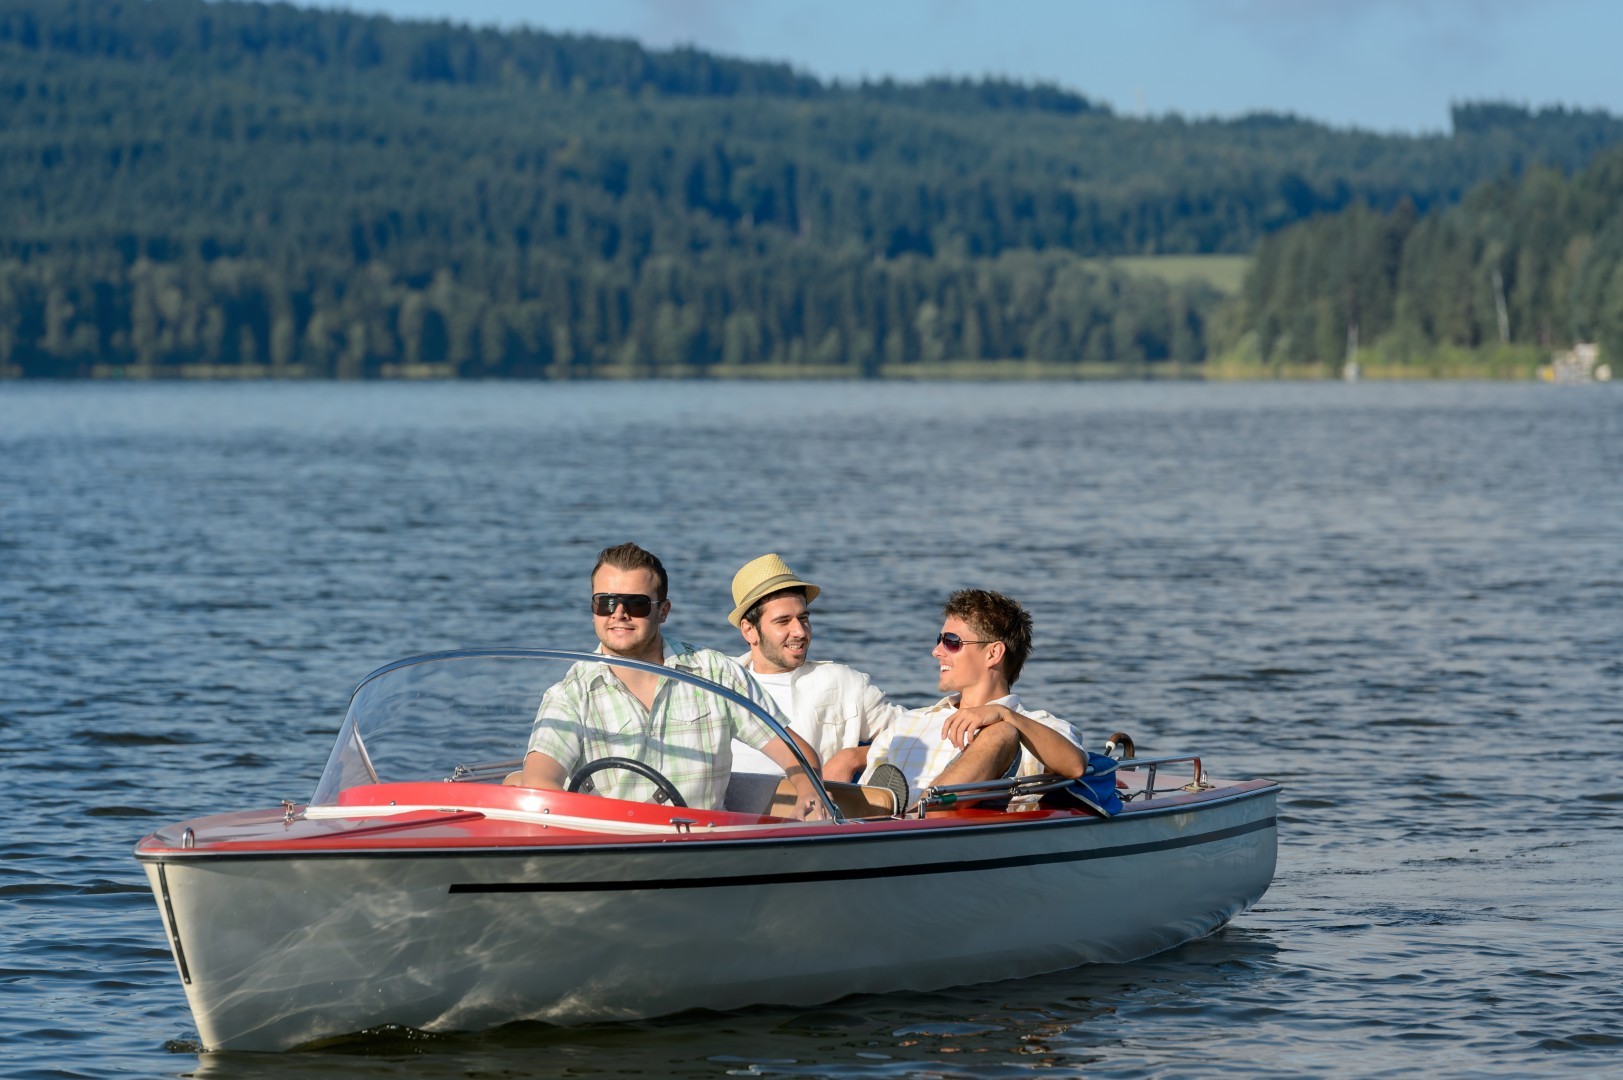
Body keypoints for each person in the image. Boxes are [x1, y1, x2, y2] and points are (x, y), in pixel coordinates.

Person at [514, 542, 826, 818]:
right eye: (605, 602)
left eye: (635, 604)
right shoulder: (570, 694)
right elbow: (539, 782)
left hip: (709, 847)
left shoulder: (716, 673)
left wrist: (809, 792)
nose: (618, 613)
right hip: (609, 847)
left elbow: (796, 753)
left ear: (663, 611)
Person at [860, 588, 1085, 809]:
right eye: (939, 639)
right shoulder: (908, 723)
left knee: (1002, 733)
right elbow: (861, 804)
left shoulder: (1036, 726)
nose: (936, 651)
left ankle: (917, 817)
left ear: (993, 654)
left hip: (959, 829)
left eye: (951, 641)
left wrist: (1005, 715)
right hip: (880, 827)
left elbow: (1075, 766)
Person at [726, 554, 909, 782]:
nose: (800, 631)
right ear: (749, 631)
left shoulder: (843, 683)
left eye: (803, 618)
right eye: (783, 621)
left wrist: (852, 757)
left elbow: (915, 734)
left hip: (813, 804)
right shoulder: (717, 683)